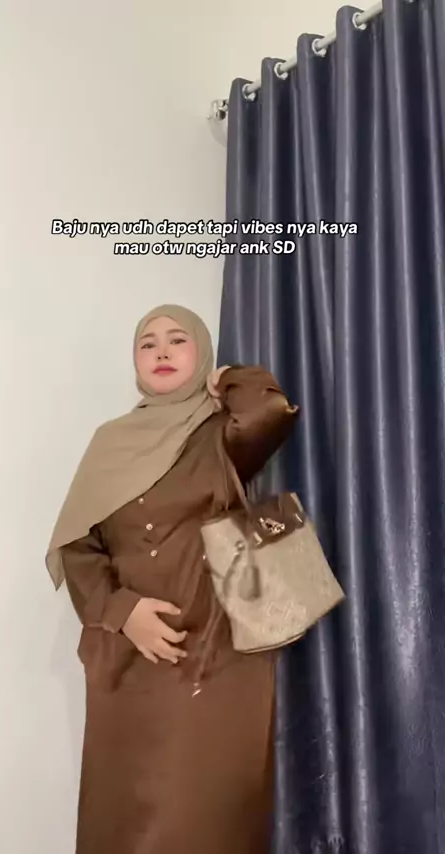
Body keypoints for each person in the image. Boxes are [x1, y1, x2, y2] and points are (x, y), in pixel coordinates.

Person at [46, 303, 300, 854]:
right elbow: (79, 545)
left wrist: (227, 380)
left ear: (201, 352)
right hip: (130, 663)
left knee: (205, 820)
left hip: (217, 655)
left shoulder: (221, 435)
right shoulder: (110, 442)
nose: (161, 350)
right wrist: (123, 612)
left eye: (178, 339)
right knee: (127, 823)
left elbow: (272, 410)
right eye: (148, 343)